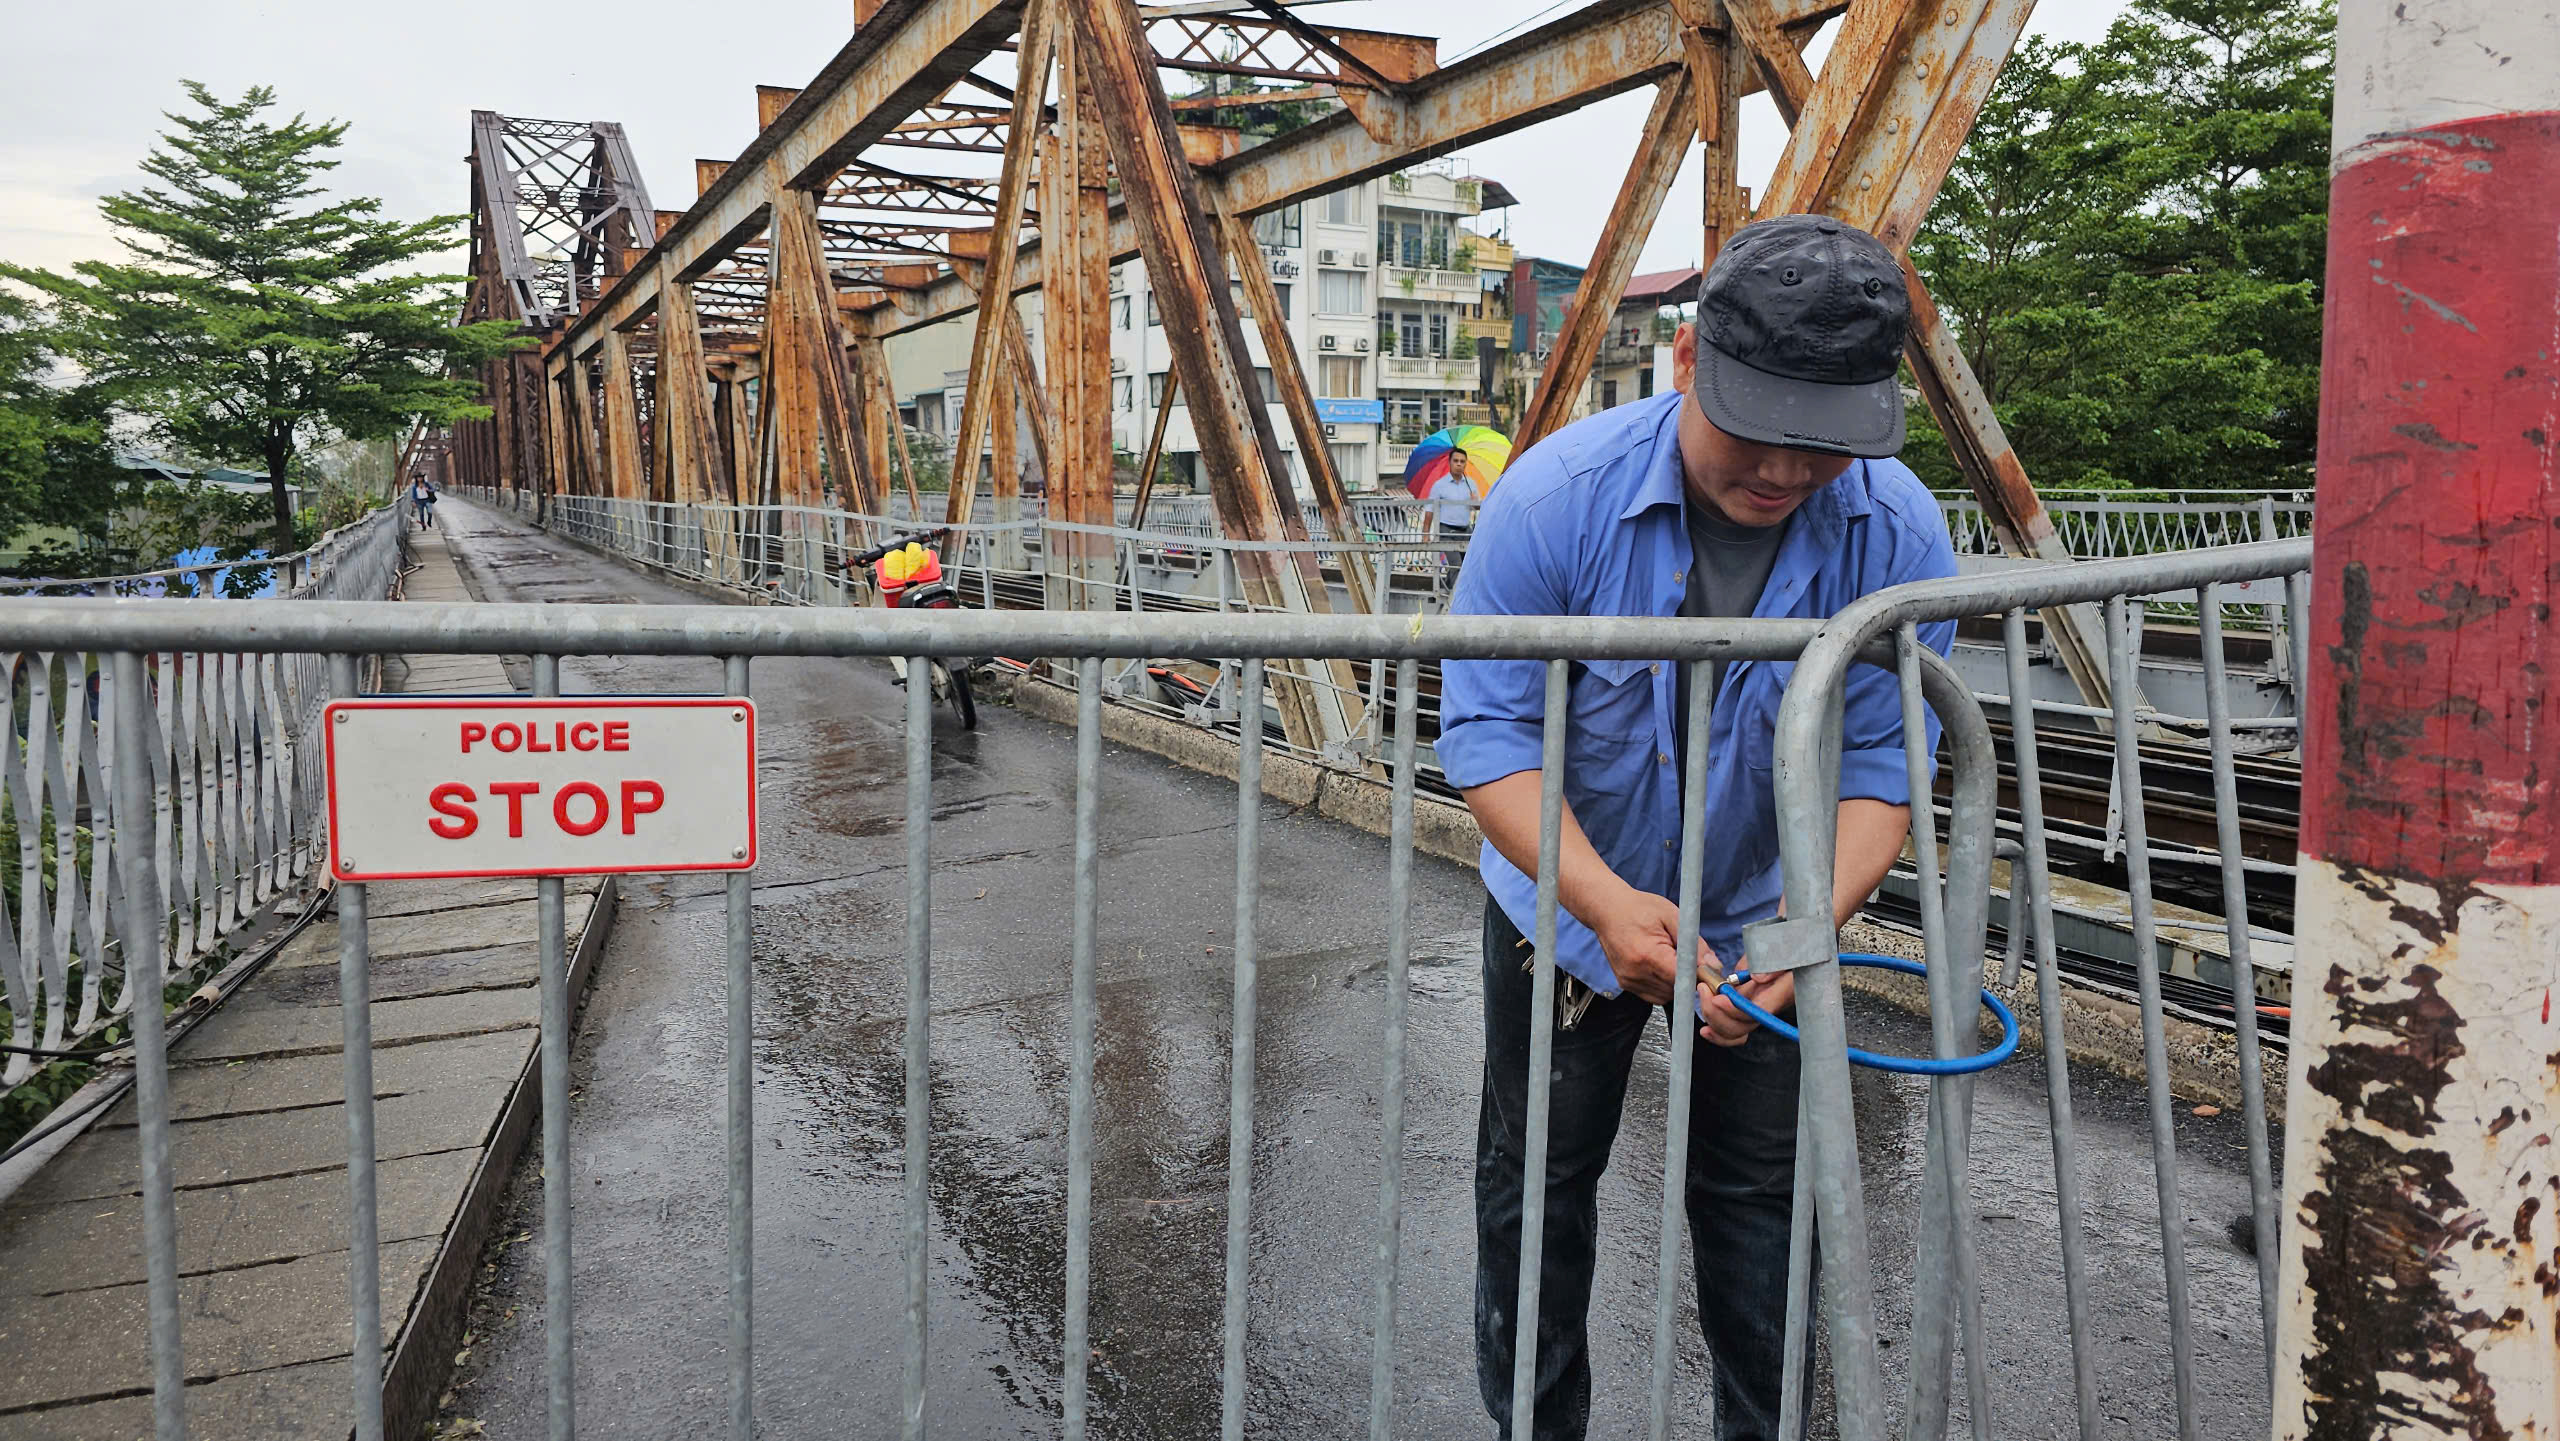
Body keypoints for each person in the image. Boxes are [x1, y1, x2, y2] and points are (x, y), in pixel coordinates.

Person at [1436, 214, 1961, 1441]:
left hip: (1769, 916)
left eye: (1821, 441)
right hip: (1564, 911)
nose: (1783, 471)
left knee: (1764, 1204)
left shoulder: (1896, 531)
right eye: (1758, 426)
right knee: (1538, 1188)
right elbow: (1490, 741)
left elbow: (1883, 766)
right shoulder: (1551, 501)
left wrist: (1800, 933)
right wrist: (1603, 905)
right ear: (1685, 359)